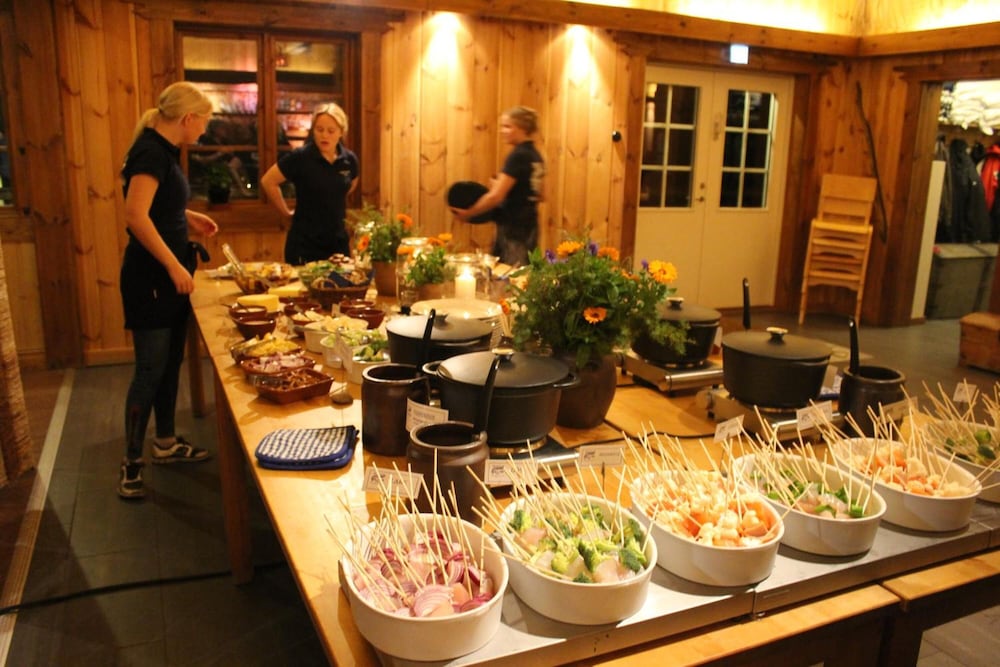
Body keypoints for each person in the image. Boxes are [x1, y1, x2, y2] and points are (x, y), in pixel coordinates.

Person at [118, 81, 219, 499]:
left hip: (169, 279)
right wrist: (174, 265)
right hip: (152, 281)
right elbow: (135, 216)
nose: (205, 131)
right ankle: (131, 464)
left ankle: (165, 442)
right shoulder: (151, 152)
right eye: (204, 122)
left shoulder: (163, 150)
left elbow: (158, 206)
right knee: (149, 370)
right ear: (188, 118)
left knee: (170, 362)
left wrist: (187, 216)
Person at [260, 103, 359, 264]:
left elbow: (351, 184)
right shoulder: (300, 157)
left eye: (331, 131)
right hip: (304, 243)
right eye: (319, 130)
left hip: (337, 242)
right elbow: (268, 181)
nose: (324, 135)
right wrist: (286, 212)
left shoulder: (349, 160)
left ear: (341, 132)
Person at [450, 106, 545, 266]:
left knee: (509, 274)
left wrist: (469, 213)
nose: (502, 131)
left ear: (522, 128)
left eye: (508, 126)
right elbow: (540, 194)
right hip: (529, 225)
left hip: (513, 229)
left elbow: (495, 197)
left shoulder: (518, 156)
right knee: (523, 272)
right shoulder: (536, 156)